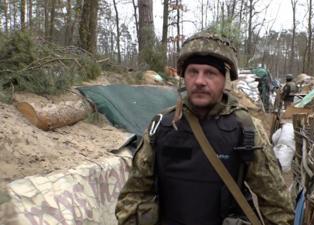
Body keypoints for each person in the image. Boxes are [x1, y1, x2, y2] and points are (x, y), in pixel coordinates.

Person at [115, 32, 294, 225]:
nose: (200, 81)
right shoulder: (161, 126)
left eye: (210, 73)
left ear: (224, 80)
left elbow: (276, 206)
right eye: (193, 72)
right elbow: (134, 194)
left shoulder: (246, 128)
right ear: (184, 76)